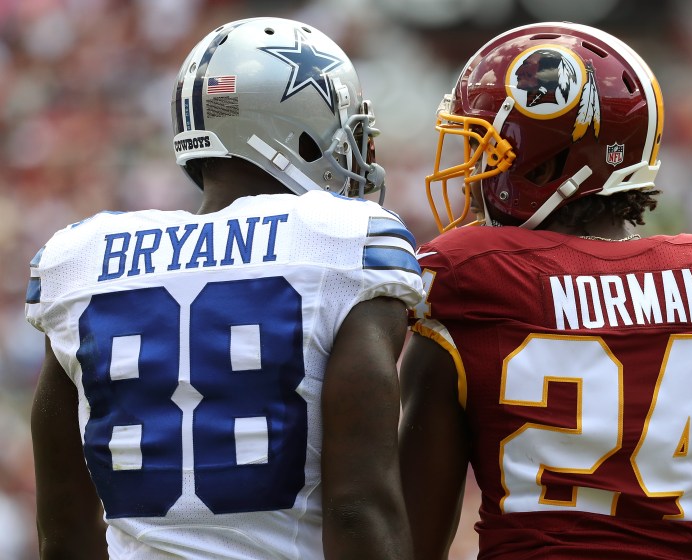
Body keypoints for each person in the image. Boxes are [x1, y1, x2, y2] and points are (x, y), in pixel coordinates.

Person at [398, 21, 692, 560]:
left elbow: (411, 543)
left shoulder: (469, 276)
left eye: (488, 150)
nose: (474, 174)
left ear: (545, 161)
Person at [27, 17, 422, 560]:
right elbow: (357, 506)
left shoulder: (78, 259)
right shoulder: (345, 244)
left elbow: (65, 524)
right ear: (298, 131)